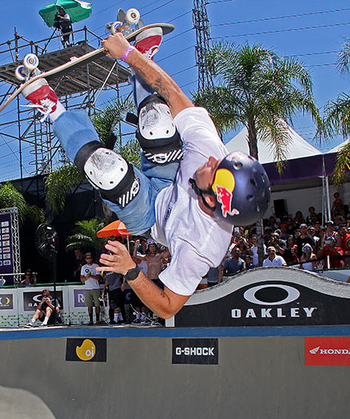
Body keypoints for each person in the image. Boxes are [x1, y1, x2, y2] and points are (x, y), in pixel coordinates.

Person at [21, 27, 270, 320]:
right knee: (157, 120)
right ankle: (146, 53)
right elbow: (172, 92)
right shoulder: (208, 147)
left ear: (213, 201)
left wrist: (129, 269)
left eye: (215, 171)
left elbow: (168, 306)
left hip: (151, 214)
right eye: (222, 162)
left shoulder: (202, 248)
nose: (214, 160)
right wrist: (130, 54)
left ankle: (52, 107)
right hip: (172, 173)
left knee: (107, 170)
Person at [80, 252, 102, 325]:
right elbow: (82, 279)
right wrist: (86, 277)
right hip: (87, 288)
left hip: (96, 288)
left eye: (89, 258)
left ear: (92, 259)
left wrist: (91, 276)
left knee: (97, 304)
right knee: (89, 305)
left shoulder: (96, 266)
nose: (88, 260)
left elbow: (98, 277)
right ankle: (91, 320)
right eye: (87, 258)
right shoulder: (84, 267)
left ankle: (98, 319)